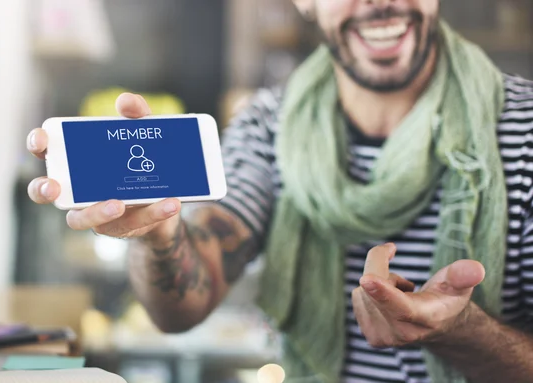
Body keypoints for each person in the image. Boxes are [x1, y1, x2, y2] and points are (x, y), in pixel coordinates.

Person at [27, 0, 533, 382]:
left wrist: (465, 332)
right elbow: (181, 306)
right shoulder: (268, 124)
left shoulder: (525, 127)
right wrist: (160, 236)